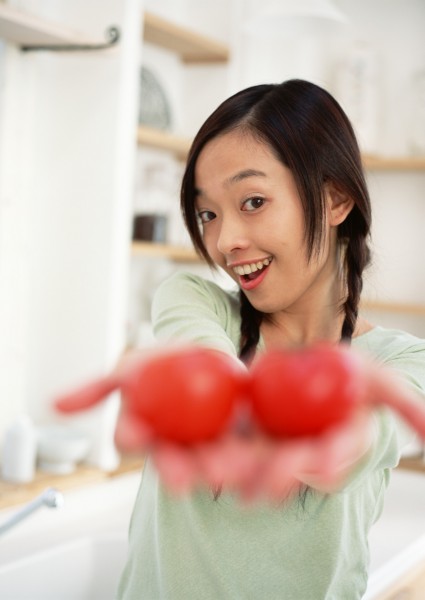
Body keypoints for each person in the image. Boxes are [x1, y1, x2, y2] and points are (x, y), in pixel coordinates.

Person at [57, 79, 425, 599]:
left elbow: (352, 446)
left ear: (336, 198)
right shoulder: (194, 301)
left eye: (253, 201)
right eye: (208, 214)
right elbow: (209, 365)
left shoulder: (403, 363)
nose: (225, 241)